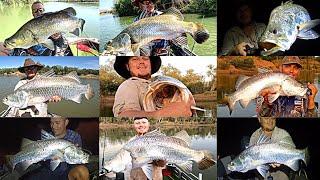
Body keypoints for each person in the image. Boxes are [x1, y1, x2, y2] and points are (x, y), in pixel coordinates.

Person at [112, 56, 194, 118]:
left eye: (145, 58)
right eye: (135, 59)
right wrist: (161, 113)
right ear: (127, 66)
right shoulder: (129, 85)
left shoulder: (160, 80)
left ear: (150, 63)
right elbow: (123, 115)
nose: (141, 62)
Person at [22, 117, 89, 180]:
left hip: (67, 171)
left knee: (83, 172)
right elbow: (45, 163)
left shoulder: (75, 136)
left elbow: (76, 161)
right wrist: (41, 158)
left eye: (57, 123)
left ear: (66, 122)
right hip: (49, 171)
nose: (53, 126)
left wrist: (78, 155)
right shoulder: (46, 140)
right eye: (51, 123)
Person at [0, 1, 73, 56]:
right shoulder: (29, 25)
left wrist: (58, 38)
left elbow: (61, 44)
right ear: (32, 13)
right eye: (35, 11)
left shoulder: (53, 22)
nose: (38, 12)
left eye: (40, 10)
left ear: (44, 10)